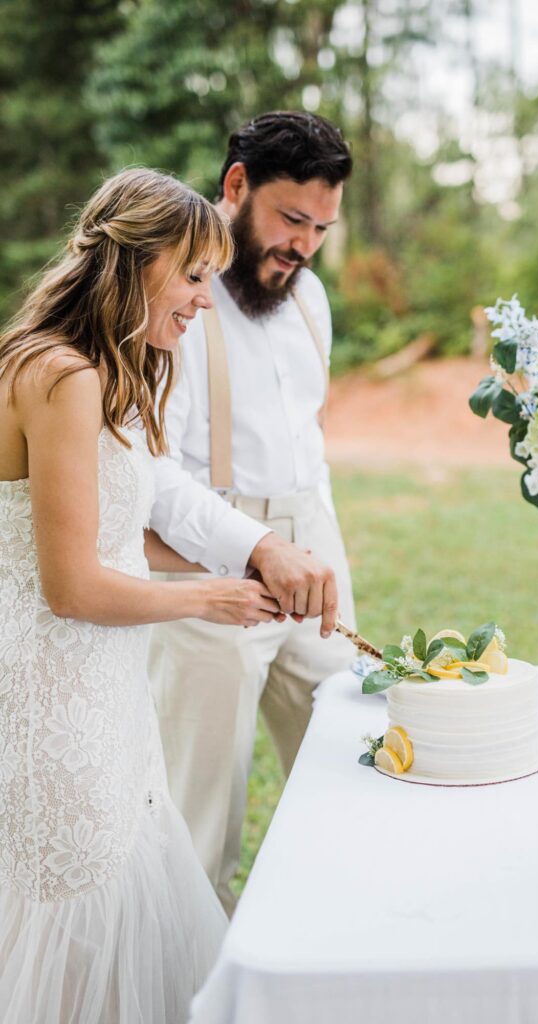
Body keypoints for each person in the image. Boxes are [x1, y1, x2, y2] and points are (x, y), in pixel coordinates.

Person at [0, 167, 338, 1023]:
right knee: (71, 912)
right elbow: (71, 582)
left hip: (104, 689)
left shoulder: (99, 370)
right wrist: (210, 599)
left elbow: (117, 527)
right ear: (135, 261)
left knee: (123, 891)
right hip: (57, 693)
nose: (201, 300)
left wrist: (229, 568)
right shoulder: (58, 374)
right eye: (191, 277)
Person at [149, 111, 357, 916]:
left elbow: (310, 440)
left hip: (314, 562)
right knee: (200, 829)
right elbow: (157, 480)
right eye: (291, 219)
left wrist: (321, 546)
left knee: (352, 767)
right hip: (208, 575)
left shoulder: (312, 300)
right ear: (236, 186)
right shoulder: (176, 301)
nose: (304, 245)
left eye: (321, 228)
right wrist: (259, 546)